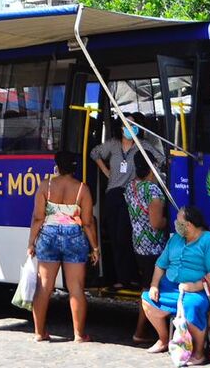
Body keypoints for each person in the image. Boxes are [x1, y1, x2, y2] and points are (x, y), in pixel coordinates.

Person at [141, 205, 210, 365]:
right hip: (174, 287)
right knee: (147, 300)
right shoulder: (175, 239)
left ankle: (198, 353)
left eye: (178, 221)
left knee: (192, 305)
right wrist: (154, 284)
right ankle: (164, 339)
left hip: (205, 290)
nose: (175, 223)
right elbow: (161, 264)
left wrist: (195, 286)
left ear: (189, 225)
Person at [27, 150, 100, 343]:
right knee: (76, 287)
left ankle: (39, 333)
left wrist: (31, 242)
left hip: (48, 235)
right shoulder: (82, 189)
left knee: (44, 287)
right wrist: (95, 247)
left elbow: (37, 218)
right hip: (74, 236)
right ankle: (78, 335)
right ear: (74, 167)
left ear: (57, 166)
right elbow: (87, 222)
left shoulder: (45, 185)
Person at [90, 112, 161, 287]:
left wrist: (146, 177)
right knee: (117, 237)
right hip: (114, 194)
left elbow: (160, 158)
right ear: (120, 127)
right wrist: (106, 172)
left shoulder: (142, 145)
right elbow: (94, 153)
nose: (129, 128)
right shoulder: (113, 145)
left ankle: (134, 276)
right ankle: (122, 278)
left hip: (132, 194)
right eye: (126, 124)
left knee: (130, 236)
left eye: (133, 124)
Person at [125, 152, 170, 345]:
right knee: (152, 288)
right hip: (154, 247)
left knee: (148, 285)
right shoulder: (153, 191)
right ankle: (141, 331)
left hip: (138, 245)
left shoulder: (131, 187)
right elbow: (156, 222)